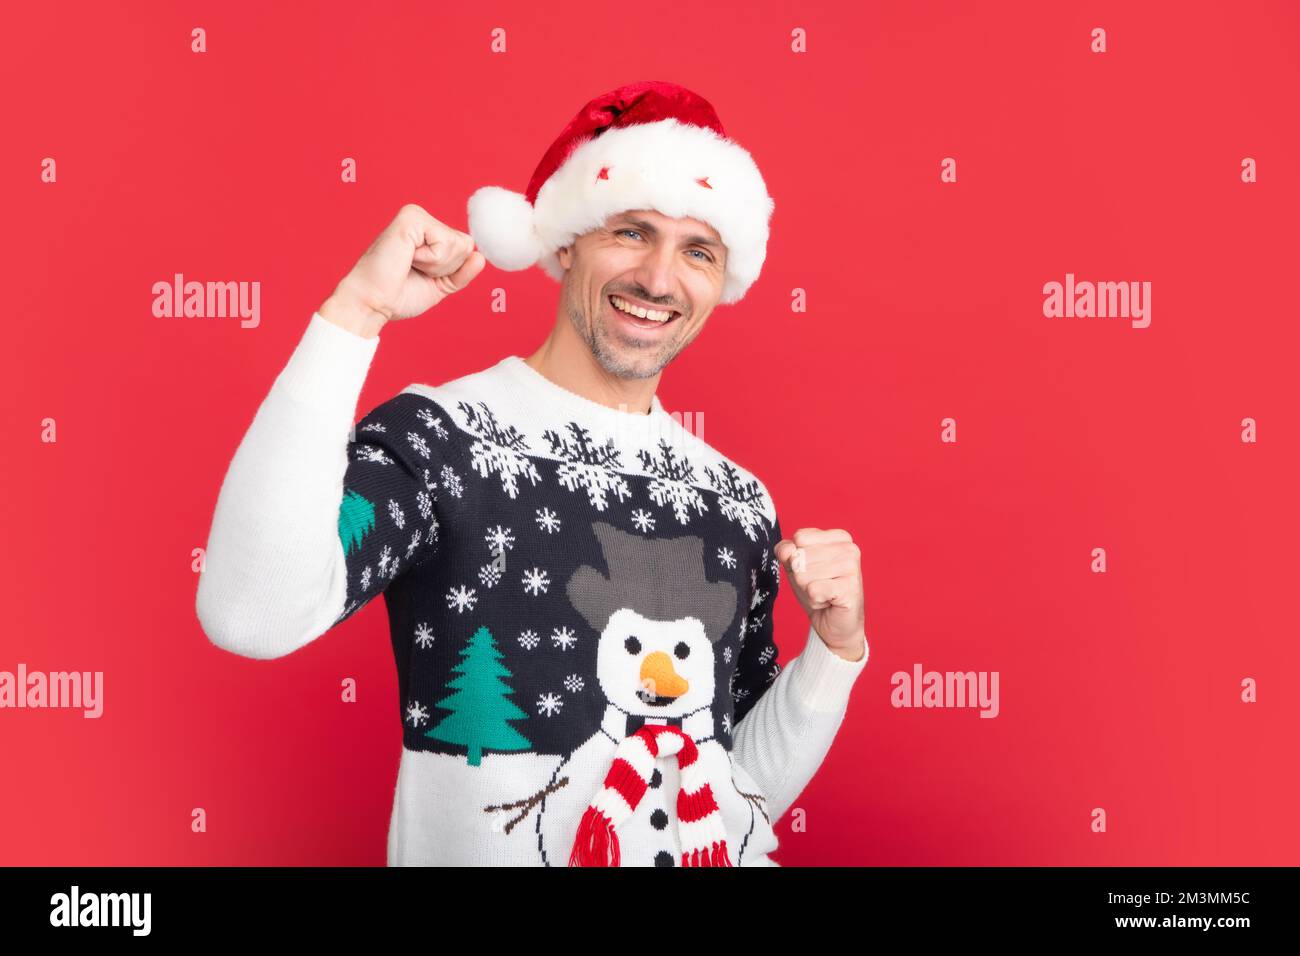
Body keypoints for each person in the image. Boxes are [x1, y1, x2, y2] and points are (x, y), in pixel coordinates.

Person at [196, 80, 869, 867]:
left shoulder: (738, 504)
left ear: (723, 280)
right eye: (630, 231)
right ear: (563, 242)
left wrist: (834, 653)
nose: (658, 279)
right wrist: (356, 313)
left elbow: (731, 796)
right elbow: (249, 612)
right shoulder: (445, 441)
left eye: (697, 251)